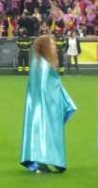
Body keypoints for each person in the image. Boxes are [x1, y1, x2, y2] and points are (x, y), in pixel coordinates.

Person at [20, 35, 77, 173]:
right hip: (45, 107)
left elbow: (50, 86)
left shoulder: (38, 63)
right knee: (46, 130)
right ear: (45, 47)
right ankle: (44, 160)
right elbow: (48, 88)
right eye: (52, 44)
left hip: (38, 106)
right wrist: (63, 101)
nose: (55, 47)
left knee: (44, 130)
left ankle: (46, 159)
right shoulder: (43, 66)